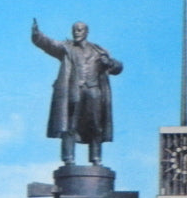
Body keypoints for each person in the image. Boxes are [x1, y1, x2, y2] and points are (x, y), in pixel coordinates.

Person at [31, 18, 123, 166]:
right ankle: (68, 158)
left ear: (86, 32)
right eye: (74, 30)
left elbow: (118, 68)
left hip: (94, 92)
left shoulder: (99, 51)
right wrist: (37, 35)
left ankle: (96, 158)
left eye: (80, 30)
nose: (76, 32)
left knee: (96, 125)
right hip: (74, 92)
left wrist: (110, 63)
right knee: (69, 125)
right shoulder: (66, 48)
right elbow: (49, 44)